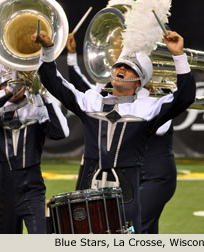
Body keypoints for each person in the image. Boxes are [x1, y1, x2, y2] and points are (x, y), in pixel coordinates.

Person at [32, 30, 196, 233]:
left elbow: (185, 96)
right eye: (119, 65)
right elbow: (52, 81)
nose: (121, 69)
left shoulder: (147, 109)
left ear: (139, 81)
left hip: (126, 193)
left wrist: (178, 55)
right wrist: (48, 49)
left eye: (129, 69)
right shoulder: (91, 100)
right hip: (88, 187)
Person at [66, 33, 177, 233]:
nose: (122, 69)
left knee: (137, 226)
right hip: (130, 175)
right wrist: (72, 57)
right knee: (140, 229)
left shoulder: (153, 103)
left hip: (156, 177)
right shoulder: (128, 100)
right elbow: (84, 90)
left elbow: (161, 128)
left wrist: (153, 91)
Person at [0, 63, 69, 234]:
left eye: (16, 83)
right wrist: (8, 89)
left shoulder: (36, 110)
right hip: (6, 193)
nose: (12, 88)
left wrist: (44, 95)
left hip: (32, 190)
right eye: (6, 84)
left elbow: (62, 132)